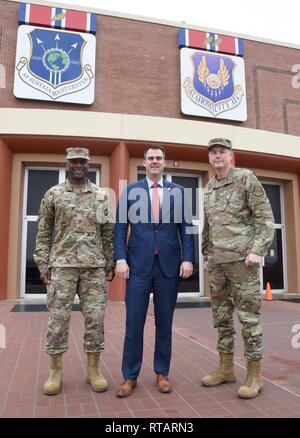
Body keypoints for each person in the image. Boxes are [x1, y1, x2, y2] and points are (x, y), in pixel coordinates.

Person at [114, 145, 194, 397]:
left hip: (169, 267)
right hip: (137, 266)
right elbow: (119, 228)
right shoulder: (130, 191)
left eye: (159, 158)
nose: (155, 162)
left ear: (164, 163)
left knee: (164, 324)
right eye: (151, 158)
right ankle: (130, 376)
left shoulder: (179, 192)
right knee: (134, 323)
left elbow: (186, 229)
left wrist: (188, 259)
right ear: (145, 163)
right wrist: (120, 259)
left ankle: (162, 373)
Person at [34, 148, 114, 395]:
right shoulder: (53, 194)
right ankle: (55, 371)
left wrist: (109, 261)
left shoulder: (101, 196)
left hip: (93, 269)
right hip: (62, 267)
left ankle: (93, 370)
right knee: (58, 321)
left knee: (95, 320)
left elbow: (108, 232)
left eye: (83, 161)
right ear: (67, 164)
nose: (78, 165)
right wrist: (42, 264)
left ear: (88, 164)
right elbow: (44, 232)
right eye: (74, 161)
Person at [201, 138, 274, 399]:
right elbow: (208, 226)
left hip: (243, 262)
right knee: (221, 318)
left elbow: (265, 219)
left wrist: (257, 251)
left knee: (248, 318)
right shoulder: (209, 188)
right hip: (218, 264)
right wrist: (207, 254)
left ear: (231, 155)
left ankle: (255, 375)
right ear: (209, 158)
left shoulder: (246, 179)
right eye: (213, 153)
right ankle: (226, 368)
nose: (218, 156)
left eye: (222, 152)